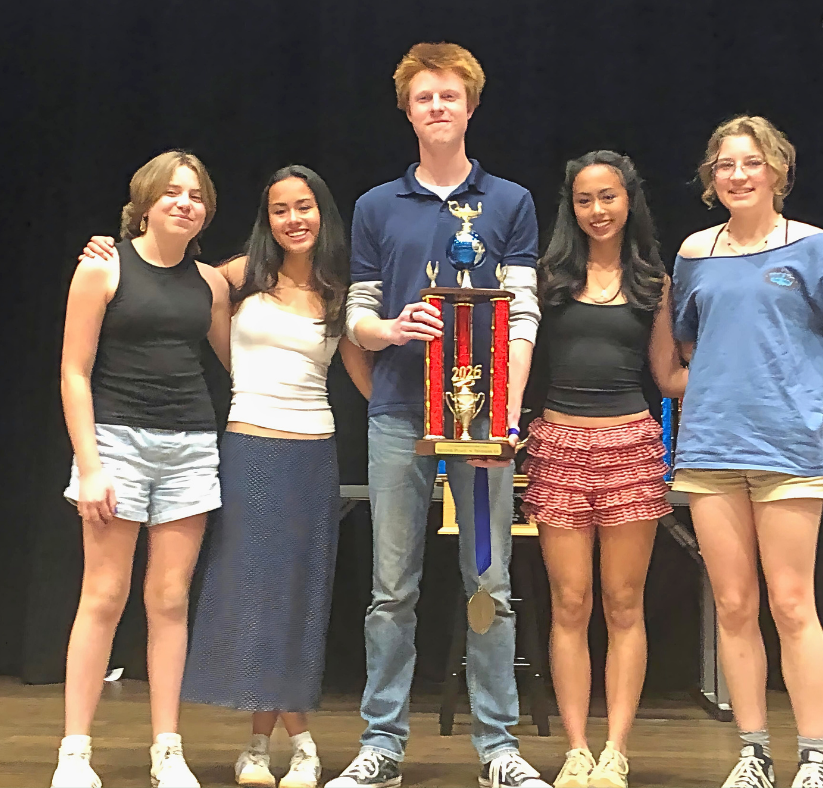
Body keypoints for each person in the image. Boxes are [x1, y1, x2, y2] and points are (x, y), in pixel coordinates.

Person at [81, 165, 372, 788]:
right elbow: (171, 281)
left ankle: (291, 744)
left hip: (313, 454)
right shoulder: (237, 276)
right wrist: (108, 243)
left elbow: (368, 382)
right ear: (266, 219)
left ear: (323, 213)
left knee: (298, 598)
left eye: (305, 207)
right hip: (244, 449)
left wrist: (432, 414)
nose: (294, 219)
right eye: (279, 210)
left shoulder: (340, 291)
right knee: (249, 597)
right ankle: (264, 744)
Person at [326, 42, 548, 788]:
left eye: (449, 95)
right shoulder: (374, 207)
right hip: (397, 417)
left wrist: (508, 420)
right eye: (424, 98)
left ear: (471, 105)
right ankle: (381, 743)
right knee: (393, 589)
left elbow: (521, 316)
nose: (437, 108)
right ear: (408, 110)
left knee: (489, 584)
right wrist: (390, 330)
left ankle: (498, 748)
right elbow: (356, 314)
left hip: (483, 427)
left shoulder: (510, 203)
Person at [670, 115, 823, 788]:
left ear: (777, 171)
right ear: (712, 178)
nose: (738, 175)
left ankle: (814, 755)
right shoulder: (693, 253)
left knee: (791, 604)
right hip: (710, 447)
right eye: (725, 165)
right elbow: (689, 345)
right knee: (733, 605)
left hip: (787, 449)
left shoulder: (815, 249)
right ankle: (753, 751)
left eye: (751, 163)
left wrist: (803, 378)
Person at [53, 150, 230, 788]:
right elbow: (74, 371)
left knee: (170, 600)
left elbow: (238, 359)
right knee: (102, 596)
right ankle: (75, 751)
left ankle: (167, 749)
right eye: (172, 193)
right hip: (115, 446)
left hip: (190, 448)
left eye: (196, 195)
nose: (185, 203)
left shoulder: (210, 283)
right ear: (146, 203)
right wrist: (91, 465)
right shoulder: (103, 269)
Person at [524, 150, 686, 788]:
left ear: (629, 201)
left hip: (630, 446)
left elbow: (668, 375)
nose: (598, 210)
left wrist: (736, 375)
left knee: (623, 602)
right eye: (586, 199)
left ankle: (616, 749)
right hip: (558, 445)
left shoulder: (653, 281)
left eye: (609, 197)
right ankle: (575, 748)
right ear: (572, 206)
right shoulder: (547, 278)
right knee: (570, 602)